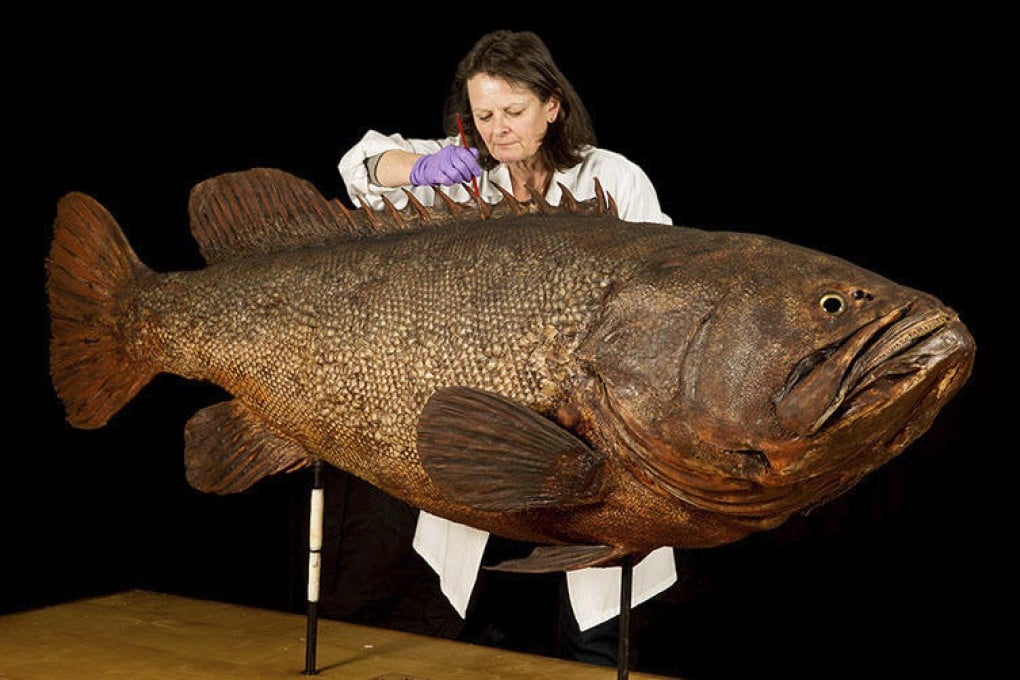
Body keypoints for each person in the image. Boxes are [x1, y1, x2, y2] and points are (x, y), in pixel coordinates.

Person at [332, 29, 677, 668]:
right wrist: (419, 168)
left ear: (552, 105)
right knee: (482, 626)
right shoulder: (465, 179)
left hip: (587, 432)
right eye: (483, 116)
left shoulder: (615, 178)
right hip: (488, 433)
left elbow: (664, 298)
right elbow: (360, 168)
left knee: (591, 634)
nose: (498, 130)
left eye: (513, 111)